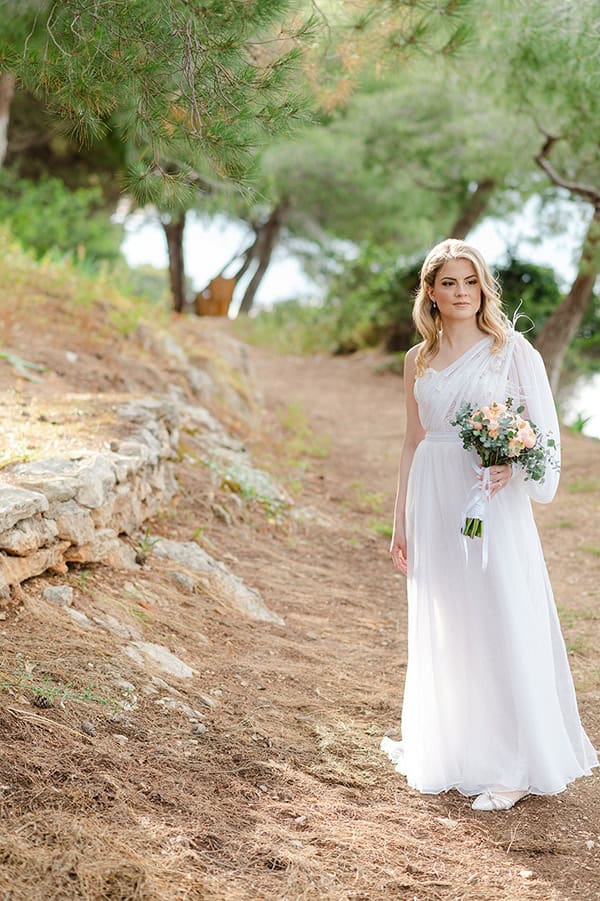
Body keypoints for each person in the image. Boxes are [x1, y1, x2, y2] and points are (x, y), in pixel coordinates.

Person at [381, 238, 598, 811]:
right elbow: (412, 441)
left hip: (488, 498)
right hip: (433, 494)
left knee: (499, 610)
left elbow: (542, 433)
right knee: (451, 619)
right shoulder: (417, 360)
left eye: (470, 282)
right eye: (448, 283)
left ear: (483, 289)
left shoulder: (511, 349)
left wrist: (510, 462)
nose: (460, 293)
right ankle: (460, 745)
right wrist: (398, 519)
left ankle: (514, 760)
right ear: (430, 291)